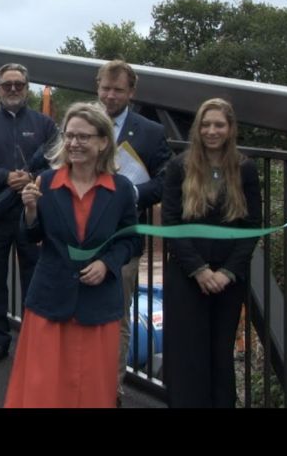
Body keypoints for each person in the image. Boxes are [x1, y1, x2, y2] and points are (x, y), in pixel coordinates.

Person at [5, 102, 141, 407]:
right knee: (43, 388)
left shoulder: (121, 189)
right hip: (50, 301)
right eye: (69, 136)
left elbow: (131, 242)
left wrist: (107, 265)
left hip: (98, 306)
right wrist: (29, 211)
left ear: (103, 141)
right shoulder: (47, 182)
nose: (74, 143)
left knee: (90, 388)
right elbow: (31, 237)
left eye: (84, 137)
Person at [161, 98, 262, 408]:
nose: (212, 130)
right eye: (206, 124)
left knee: (221, 354)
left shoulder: (244, 169)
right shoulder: (179, 166)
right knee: (188, 354)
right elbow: (171, 222)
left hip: (228, 280)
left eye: (219, 124)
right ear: (197, 128)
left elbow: (253, 225)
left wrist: (227, 272)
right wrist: (201, 271)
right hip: (187, 275)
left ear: (230, 128)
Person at [95, 59, 172, 404]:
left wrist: (134, 194)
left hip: (124, 238)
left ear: (132, 92)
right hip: (78, 237)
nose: (110, 96)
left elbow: (166, 178)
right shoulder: (80, 122)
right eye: (105, 88)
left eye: (118, 90)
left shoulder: (150, 132)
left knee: (117, 315)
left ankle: (110, 389)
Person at [0, 63, 58, 364]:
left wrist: (31, 177)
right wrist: (5, 177)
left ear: (27, 88)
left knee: (35, 277)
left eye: (18, 84)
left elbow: (56, 160)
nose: (12, 89)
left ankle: (33, 340)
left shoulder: (45, 124)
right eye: (6, 84)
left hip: (32, 212)